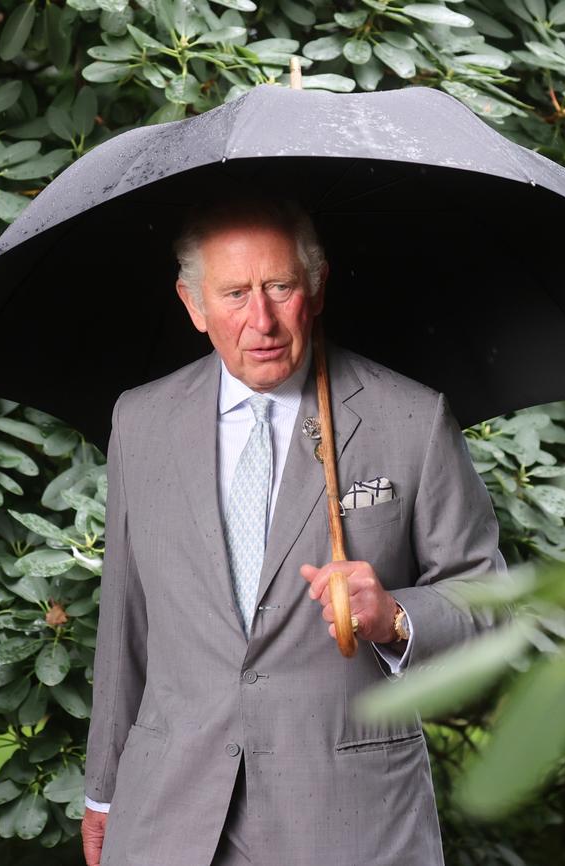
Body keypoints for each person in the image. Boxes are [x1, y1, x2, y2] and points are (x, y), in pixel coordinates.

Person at [81, 196, 508, 866]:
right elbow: (125, 624)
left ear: (315, 286)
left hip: (351, 820)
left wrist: (395, 616)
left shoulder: (411, 419)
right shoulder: (141, 422)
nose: (262, 320)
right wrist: (103, 792)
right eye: (234, 293)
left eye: (280, 287)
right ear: (193, 305)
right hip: (169, 816)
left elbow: (488, 604)